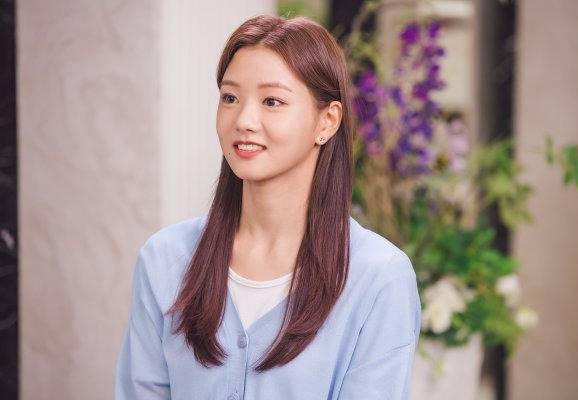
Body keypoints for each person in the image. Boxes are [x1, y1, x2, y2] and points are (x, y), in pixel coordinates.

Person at [115, 13, 421, 400]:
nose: (244, 120)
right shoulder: (164, 259)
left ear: (327, 121)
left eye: (272, 101)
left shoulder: (378, 278)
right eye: (230, 98)